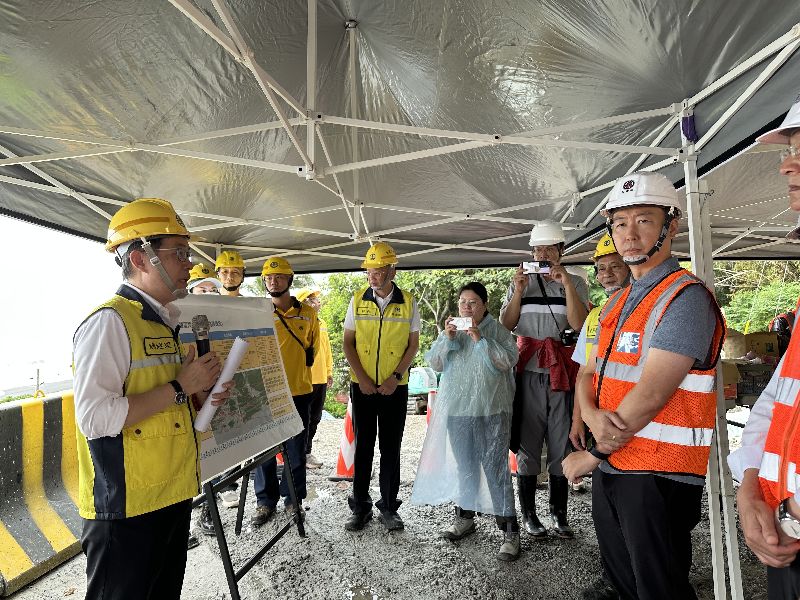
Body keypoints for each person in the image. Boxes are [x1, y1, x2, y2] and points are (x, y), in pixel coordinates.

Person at [562, 171, 725, 600]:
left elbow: (651, 395)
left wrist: (593, 454)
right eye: (619, 223)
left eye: (644, 220)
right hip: (618, 466)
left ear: (671, 225)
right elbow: (590, 373)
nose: (629, 234)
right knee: (623, 583)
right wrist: (592, 415)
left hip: (659, 473)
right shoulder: (617, 301)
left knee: (658, 588)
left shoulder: (685, 298)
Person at [73, 197, 233, 600]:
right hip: (127, 509)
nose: (189, 263)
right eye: (179, 252)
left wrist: (200, 394)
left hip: (172, 495)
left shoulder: (167, 323)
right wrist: (181, 386)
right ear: (141, 258)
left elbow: (170, 404)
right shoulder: (109, 323)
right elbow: (94, 418)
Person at [729, 94, 800, 600]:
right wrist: (750, 482)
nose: (788, 165)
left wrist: (789, 516)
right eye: (790, 148)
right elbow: (779, 395)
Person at [411, 282, 520, 561]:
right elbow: (434, 363)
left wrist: (479, 339)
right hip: (458, 412)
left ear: (484, 305)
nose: (466, 307)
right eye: (462, 302)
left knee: (496, 469)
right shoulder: (451, 332)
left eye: (472, 302)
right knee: (466, 466)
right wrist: (447, 338)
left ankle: (509, 530)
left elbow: (507, 361)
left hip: (492, 411)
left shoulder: (498, 331)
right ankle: (465, 516)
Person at [499, 221, 589, 539]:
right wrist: (520, 290)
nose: (544, 254)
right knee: (528, 441)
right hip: (528, 370)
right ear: (532, 252)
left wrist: (565, 284)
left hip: (562, 371)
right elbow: (506, 324)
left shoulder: (576, 282)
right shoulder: (520, 283)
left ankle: (558, 513)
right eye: (538, 249)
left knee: (561, 441)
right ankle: (529, 514)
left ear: (561, 252)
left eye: (550, 249)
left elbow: (580, 325)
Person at [342, 242, 420, 532]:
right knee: (363, 447)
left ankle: (388, 506)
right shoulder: (356, 300)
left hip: (394, 388)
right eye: (369, 271)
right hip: (361, 386)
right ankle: (360, 507)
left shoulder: (409, 301)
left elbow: (413, 345)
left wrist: (396, 377)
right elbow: (347, 343)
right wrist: (361, 378)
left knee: (390, 448)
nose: (372, 277)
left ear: (392, 270)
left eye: (378, 271)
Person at [251, 257, 320, 527]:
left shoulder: (308, 314)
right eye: (268, 277)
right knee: (265, 451)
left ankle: (294, 500)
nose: (273, 281)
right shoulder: (257, 312)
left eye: (278, 277)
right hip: (265, 393)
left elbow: (310, 351)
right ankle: (264, 502)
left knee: (295, 450)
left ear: (289, 280)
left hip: (299, 392)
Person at [296, 288, 333, 469]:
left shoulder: (322, 322)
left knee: (316, 417)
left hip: (320, 378)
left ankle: (307, 452)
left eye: (316, 299)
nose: (317, 302)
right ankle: (298, 454)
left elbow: (326, 349)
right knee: (304, 418)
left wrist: (329, 371)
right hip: (305, 378)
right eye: (312, 299)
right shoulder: (299, 323)